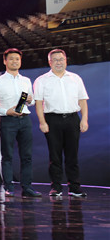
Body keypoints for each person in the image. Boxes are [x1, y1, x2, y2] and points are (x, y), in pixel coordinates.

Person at [33, 49, 89, 198]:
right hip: (52, 120)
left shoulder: (75, 78)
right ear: (50, 62)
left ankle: (74, 187)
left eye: (61, 59)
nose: (59, 62)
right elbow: (38, 103)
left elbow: (82, 100)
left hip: (72, 119)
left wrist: (84, 119)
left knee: (72, 155)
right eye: (55, 60)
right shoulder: (41, 80)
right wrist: (42, 122)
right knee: (55, 156)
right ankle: (56, 187)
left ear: (66, 60)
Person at [0, 48, 41, 198]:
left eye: (17, 59)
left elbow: (31, 101)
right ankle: (9, 187)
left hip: (25, 120)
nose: (14, 61)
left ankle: (27, 187)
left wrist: (30, 100)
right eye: (11, 59)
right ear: (5, 61)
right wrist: (6, 112)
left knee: (27, 155)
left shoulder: (26, 80)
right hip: (8, 120)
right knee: (7, 155)